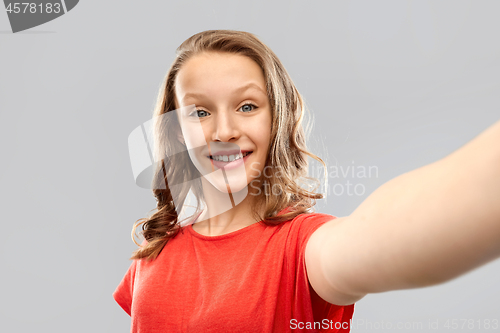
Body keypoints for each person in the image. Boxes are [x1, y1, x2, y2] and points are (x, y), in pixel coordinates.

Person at [113, 30, 500, 332]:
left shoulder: (304, 249)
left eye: (247, 106)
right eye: (199, 111)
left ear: (275, 120)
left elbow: (388, 231)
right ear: (176, 130)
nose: (224, 130)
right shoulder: (154, 253)